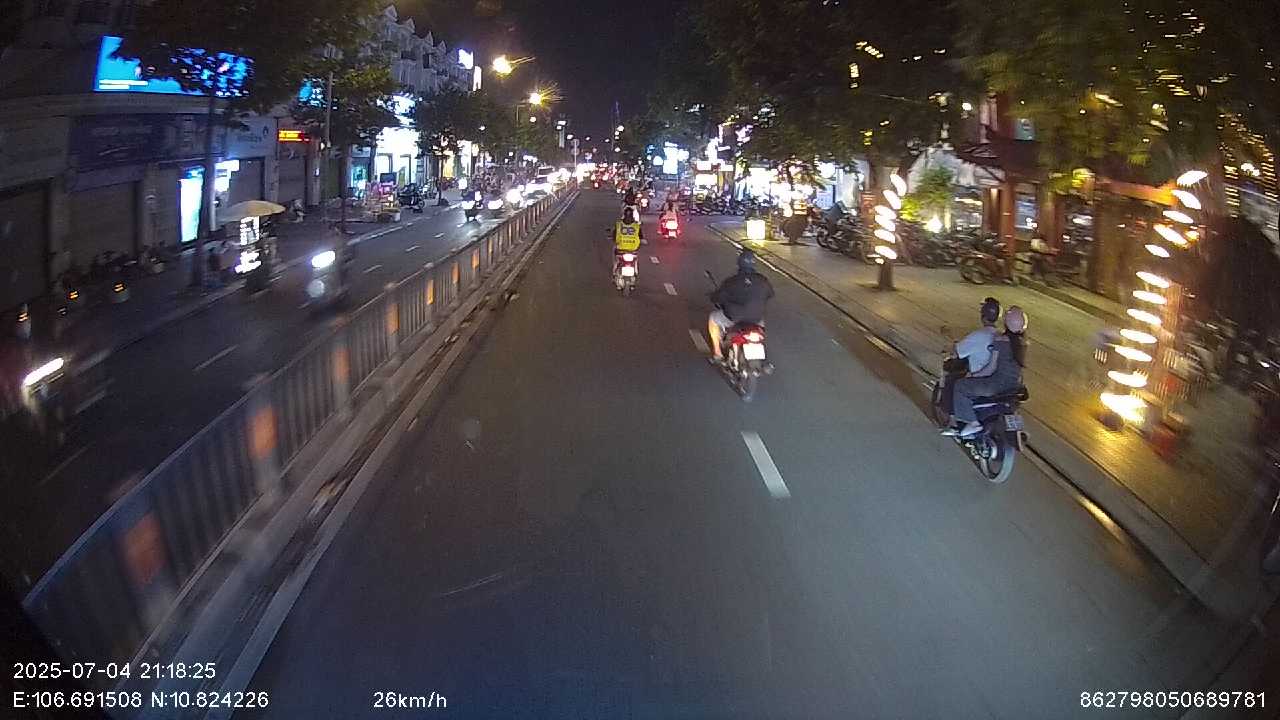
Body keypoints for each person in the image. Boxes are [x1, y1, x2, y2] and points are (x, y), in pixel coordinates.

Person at [942, 297, 1024, 437]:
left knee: (960, 386)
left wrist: (973, 375)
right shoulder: (1022, 343)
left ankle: (970, 422)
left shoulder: (999, 339)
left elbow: (991, 367)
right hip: (1014, 386)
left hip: (996, 384)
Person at [708, 250, 775, 365]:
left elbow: (718, 297)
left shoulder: (732, 281)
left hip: (735, 317)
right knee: (761, 327)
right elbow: (770, 294)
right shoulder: (763, 280)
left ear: (739, 263)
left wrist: (714, 297)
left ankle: (718, 354)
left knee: (713, 318)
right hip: (756, 318)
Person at [612, 206, 644, 277]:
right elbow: (641, 237)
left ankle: (614, 270)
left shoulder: (619, 224)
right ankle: (635, 270)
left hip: (620, 248)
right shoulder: (636, 226)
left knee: (616, 257)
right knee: (635, 259)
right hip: (633, 249)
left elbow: (614, 236)